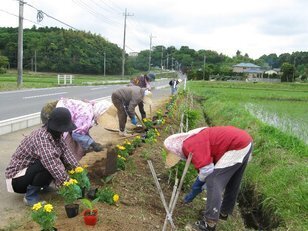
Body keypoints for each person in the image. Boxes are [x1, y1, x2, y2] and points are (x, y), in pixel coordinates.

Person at [164, 126, 253, 231]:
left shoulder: (189, 145)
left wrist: (197, 185)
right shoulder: (192, 137)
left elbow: (207, 169)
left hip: (237, 145)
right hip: (244, 141)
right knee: (233, 181)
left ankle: (209, 223)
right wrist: (201, 184)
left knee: (213, 180)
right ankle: (223, 212)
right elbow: (210, 160)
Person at [5, 107, 80, 206]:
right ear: (54, 127)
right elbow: (52, 163)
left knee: (59, 158)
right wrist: (68, 183)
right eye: (61, 129)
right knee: (47, 163)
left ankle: (42, 186)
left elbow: (67, 154)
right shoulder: (41, 138)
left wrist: (80, 172)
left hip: (29, 172)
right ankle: (30, 196)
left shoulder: (57, 136)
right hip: (17, 179)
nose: (63, 132)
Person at [41, 98, 112, 160]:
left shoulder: (89, 108)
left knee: (79, 142)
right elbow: (76, 134)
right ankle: (68, 165)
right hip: (54, 114)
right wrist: (93, 144)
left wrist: (92, 143)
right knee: (69, 146)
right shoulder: (87, 115)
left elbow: (82, 131)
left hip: (59, 110)